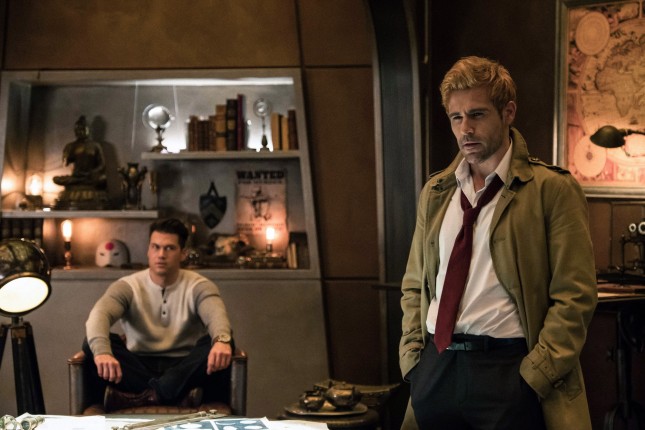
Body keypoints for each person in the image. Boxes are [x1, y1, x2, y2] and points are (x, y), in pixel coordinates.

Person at [399, 56, 597, 430]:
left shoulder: (551, 190)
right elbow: (414, 285)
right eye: (456, 118)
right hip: (437, 367)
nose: (465, 129)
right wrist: (413, 358)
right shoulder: (436, 192)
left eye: (477, 114)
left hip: (507, 371)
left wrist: (535, 375)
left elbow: (576, 296)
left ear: (508, 112)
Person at [83, 218, 234, 411]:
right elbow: (99, 315)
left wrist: (221, 340)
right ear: (148, 250)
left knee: (224, 339)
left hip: (183, 366)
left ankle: (150, 395)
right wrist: (102, 352)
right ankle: (168, 394)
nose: (161, 255)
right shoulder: (128, 285)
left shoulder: (199, 286)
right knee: (92, 343)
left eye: (169, 248)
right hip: (138, 365)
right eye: (155, 247)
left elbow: (216, 315)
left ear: (183, 254)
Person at [53, 115, 107, 189]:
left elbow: (102, 164)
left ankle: (82, 181)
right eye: (78, 130)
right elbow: (65, 164)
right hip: (76, 176)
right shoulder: (71, 145)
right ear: (75, 131)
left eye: (83, 129)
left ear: (89, 130)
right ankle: (79, 181)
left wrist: (93, 172)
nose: (81, 132)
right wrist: (66, 155)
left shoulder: (95, 145)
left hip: (90, 176)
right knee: (56, 179)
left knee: (103, 179)